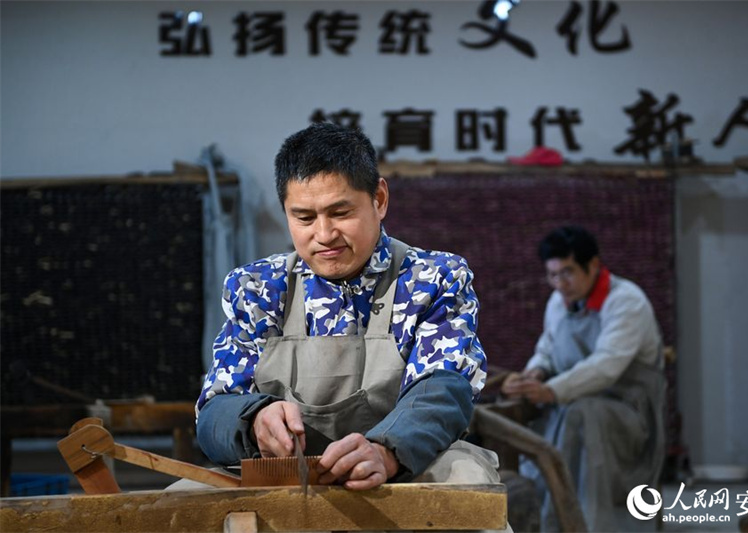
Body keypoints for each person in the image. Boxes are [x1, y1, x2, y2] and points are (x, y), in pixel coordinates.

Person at [194, 122, 505, 509]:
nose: (323, 234)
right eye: (304, 218)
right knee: (179, 505)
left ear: (378, 198)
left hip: (408, 465)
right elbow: (213, 412)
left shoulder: (433, 279)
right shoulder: (257, 287)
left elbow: (442, 390)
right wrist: (253, 420)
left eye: (340, 212)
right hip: (287, 477)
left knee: (467, 483)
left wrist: (386, 449)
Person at [501, 226, 665, 532]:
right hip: (569, 408)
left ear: (593, 265)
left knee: (583, 414)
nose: (560, 284)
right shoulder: (557, 302)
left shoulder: (627, 302)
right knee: (566, 416)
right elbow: (547, 350)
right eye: (552, 275)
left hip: (627, 418)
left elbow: (606, 365)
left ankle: (587, 526)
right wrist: (534, 372)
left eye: (567, 273)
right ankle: (552, 521)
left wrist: (550, 390)